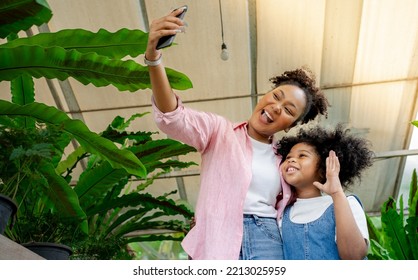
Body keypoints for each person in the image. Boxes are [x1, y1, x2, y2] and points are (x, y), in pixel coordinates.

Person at [144, 7, 329, 260]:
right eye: (276, 96)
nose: (276, 107)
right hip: (216, 238)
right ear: (265, 95)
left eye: (288, 110)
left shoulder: (286, 160)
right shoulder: (218, 131)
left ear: (290, 125)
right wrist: (154, 58)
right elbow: (172, 117)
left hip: (267, 238)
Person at [276, 124, 374, 260]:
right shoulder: (281, 213)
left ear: (324, 168)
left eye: (302, 155)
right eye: (287, 157)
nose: (291, 159)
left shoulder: (347, 203)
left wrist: (337, 194)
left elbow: (353, 256)